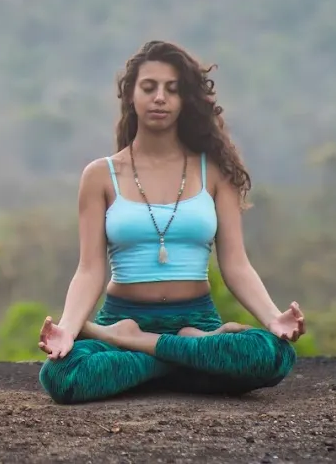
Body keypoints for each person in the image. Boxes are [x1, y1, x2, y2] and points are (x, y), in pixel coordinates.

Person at [37, 39, 304, 404]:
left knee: (272, 355)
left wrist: (273, 318)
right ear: (131, 95)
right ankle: (180, 356)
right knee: (62, 376)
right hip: (124, 315)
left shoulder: (215, 171)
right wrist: (68, 329)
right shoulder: (100, 175)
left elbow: (236, 264)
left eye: (172, 89)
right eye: (149, 87)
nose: (160, 98)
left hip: (196, 320)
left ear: (184, 100)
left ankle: (133, 345)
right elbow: (89, 269)